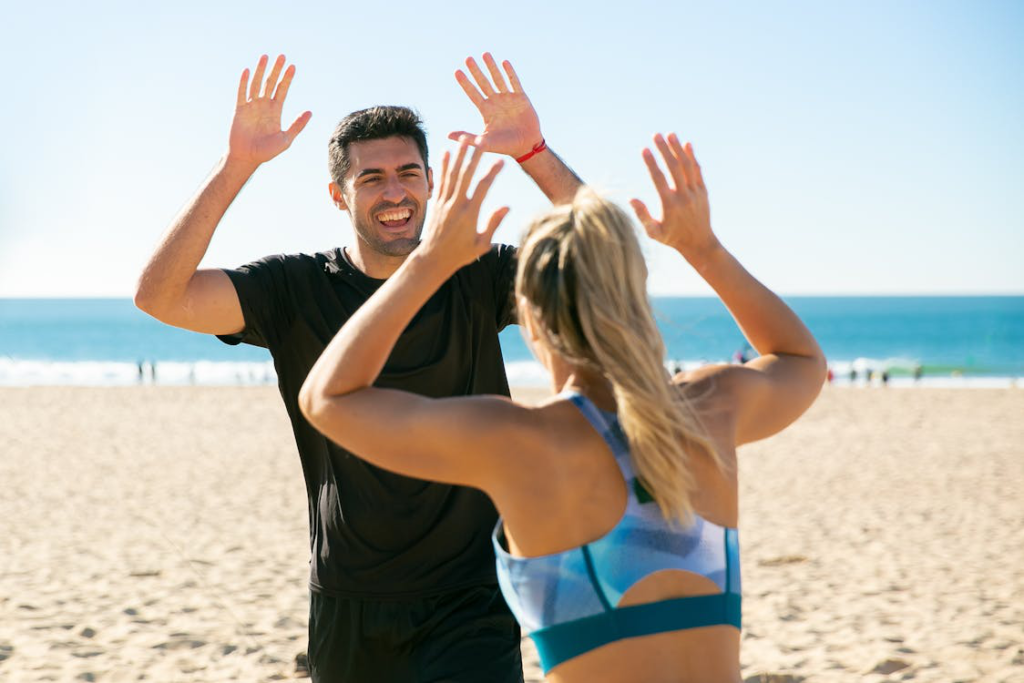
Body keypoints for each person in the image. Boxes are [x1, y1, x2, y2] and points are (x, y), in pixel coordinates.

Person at [300, 133, 827, 682]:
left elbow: (327, 399)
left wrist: (429, 262)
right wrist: (703, 249)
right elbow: (801, 359)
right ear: (631, 296)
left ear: (528, 315)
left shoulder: (522, 440)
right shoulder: (708, 409)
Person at [134, 52, 581, 682]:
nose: (395, 192)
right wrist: (237, 166)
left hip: (472, 599)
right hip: (349, 599)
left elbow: (605, 262)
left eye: (408, 172)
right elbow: (160, 295)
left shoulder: (478, 273)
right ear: (338, 195)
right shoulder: (293, 289)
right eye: (371, 179)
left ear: (431, 180)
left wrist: (534, 152)